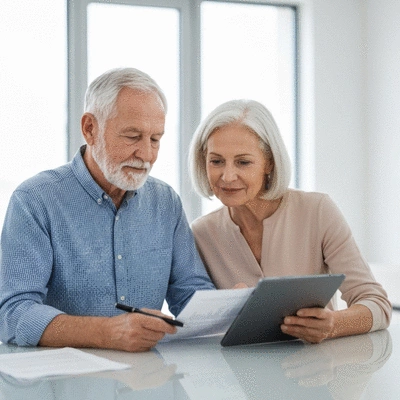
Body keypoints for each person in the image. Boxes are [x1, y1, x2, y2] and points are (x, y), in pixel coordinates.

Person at [0, 67, 214, 352]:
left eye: (155, 139)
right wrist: (107, 332)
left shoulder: (166, 202)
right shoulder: (35, 200)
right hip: (63, 386)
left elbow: (190, 297)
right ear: (90, 128)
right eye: (132, 136)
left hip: (146, 381)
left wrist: (231, 308)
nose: (147, 155)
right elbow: (12, 314)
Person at [188, 99, 392, 344]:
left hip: (315, 372)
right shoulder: (200, 233)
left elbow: (377, 304)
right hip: (239, 376)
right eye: (216, 161)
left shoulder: (317, 211)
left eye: (243, 162)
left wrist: (334, 324)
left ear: (269, 162)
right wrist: (221, 311)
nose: (227, 176)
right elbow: (196, 324)